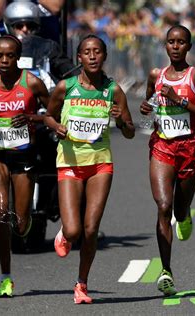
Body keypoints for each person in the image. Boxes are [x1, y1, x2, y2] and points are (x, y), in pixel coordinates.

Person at [44, 34, 134, 304]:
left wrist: (121, 122)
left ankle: (81, 283)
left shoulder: (113, 91)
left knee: (91, 229)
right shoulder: (65, 87)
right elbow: (48, 114)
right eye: (87, 52)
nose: (93, 56)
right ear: (79, 58)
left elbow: (130, 131)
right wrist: (56, 126)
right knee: (74, 231)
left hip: (100, 163)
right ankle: (65, 232)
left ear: (104, 56)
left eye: (97, 52)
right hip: (70, 163)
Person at [0, 1, 78, 212]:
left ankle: (77, 207)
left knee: (67, 135)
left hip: (39, 111)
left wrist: (77, 85)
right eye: (19, 26)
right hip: (5, 112)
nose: (25, 30)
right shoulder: (0, 48)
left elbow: (68, 70)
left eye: (30, 25)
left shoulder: (48, 47)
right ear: (9, 26)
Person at [139, 25, 195, 296]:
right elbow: (149, 103)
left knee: (180, 210)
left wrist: (181, 102)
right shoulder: (156, 75)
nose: (175, 46)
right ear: (165, 45)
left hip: (190, 148)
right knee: (163, 205)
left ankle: (184, 218)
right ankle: (166, 271)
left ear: (189, 47)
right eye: (171, 42)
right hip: (162, 145)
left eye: (181, 42)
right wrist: (146, 107)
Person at [0, 34, 50, 296]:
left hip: (25, 157)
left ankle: (26, 222)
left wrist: (31, 117)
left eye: (10, 56)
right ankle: (5, 277)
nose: (4, 60)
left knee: (19, 224)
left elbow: (53, 113)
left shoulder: (32, 83)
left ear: (18, 57)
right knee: (1, 214)